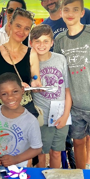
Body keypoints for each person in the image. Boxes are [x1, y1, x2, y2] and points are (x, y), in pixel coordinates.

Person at [53, 0, 90, 170]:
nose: (70, 13)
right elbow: (58, 72)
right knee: (78, 144)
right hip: (74, 107)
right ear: (62, 12)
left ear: (82, 12)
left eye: (75, 9)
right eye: (66, 9)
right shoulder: (60, 40)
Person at [29, 24, 71, 168]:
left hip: (61, 115)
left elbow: (67, 90)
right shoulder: (28, 62)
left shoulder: (60, 59)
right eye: (37, 41)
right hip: (41, 118)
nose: (42, 45)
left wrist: (66, 115)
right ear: (31, 43)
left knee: (57, 152)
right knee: (40, 153)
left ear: (52, 43)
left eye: (46, 41)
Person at [0, 7, 41, 111]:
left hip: (24, 111)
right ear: (10, 25)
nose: (21, 31)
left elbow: (36, 78)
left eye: (27, 28)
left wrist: (36, 83)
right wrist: (13, 87)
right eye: (18, 26)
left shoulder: (31, 53)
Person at [0, 73, 43, 167]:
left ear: (22, 90)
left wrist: (15, 159)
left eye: (15, 91)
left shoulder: (31, 121)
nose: (10, 97)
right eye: (4, 94)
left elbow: (37, 148)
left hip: (19, 169)